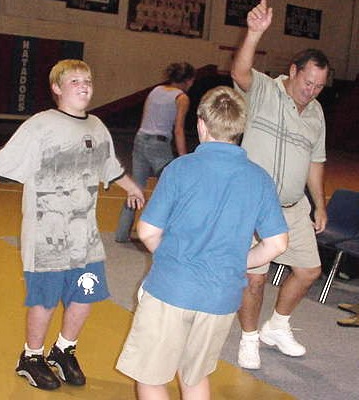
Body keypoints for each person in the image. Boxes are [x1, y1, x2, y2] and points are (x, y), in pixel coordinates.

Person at [0, 59, 145, 391]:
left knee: (85, 294)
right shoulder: (41, 125)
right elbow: (6, 159)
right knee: (44, 300)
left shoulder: (97, 126)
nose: (84, 86)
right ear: (57, 88)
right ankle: (31, 357)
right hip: (47, 238)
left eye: (88, 80)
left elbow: (108, 166)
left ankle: (63, 350)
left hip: (84, 237)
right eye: (75, 81)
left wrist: (132, 187)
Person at [116, 86, 289, 399]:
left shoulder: (180, 169)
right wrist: (237, 262)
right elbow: (277, 243)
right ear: (240, 128)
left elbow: (148, 231)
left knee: (151, 377)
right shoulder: (259, 179)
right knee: (195, 376)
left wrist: (173, 257)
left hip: (171, 288)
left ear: (201, 124)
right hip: (221, 298)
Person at [231, 0, 330, 370]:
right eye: (308, 82)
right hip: (253, 207)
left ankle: (277, 326)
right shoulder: (264, 92)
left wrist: (320, 204)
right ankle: (249, 338)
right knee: (254, 279)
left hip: (292, 208)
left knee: (309, 270)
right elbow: (239, 73)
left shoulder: (316, 114)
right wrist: (254, 33)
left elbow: (315, 162)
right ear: (293, 71)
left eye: (319, 86)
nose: (311, 91)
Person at [115, 61, 196, 243]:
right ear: (189, 80)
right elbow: (178, 130)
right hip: (159, 145)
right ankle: (163, 233)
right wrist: (184, 158)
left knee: (135, 188)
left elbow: (145, 119)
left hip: (141, 139)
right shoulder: (181, 98)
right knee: (170, 188)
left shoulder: (156, 90)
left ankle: (121, 233)